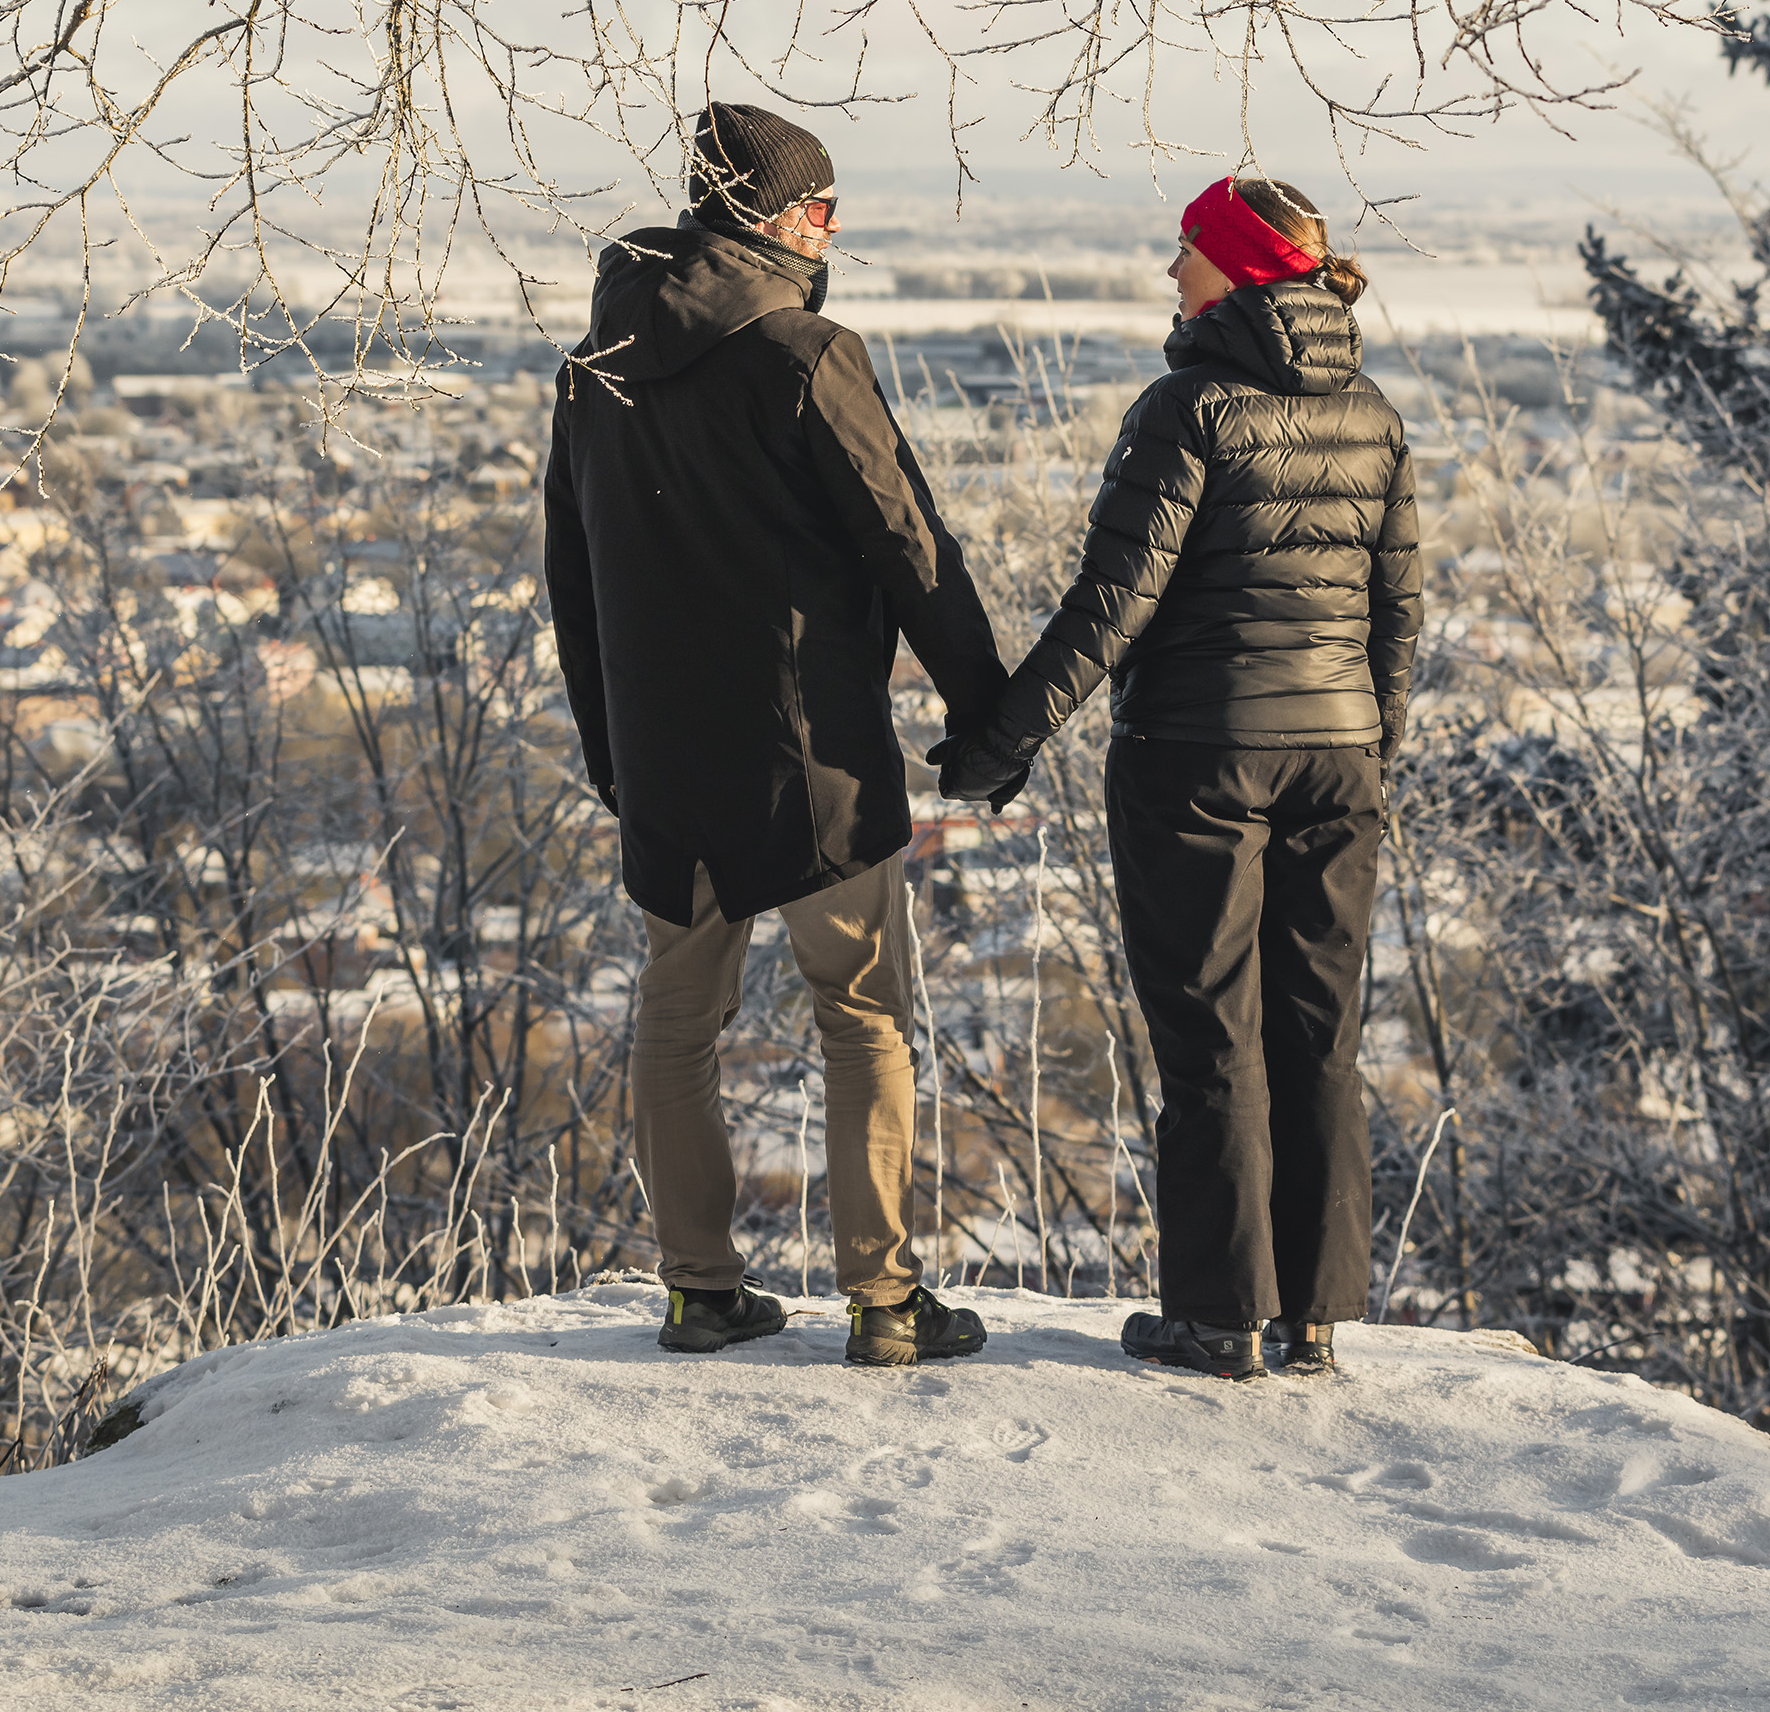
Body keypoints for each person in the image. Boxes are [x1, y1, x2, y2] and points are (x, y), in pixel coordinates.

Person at [933, 175, 1419, 1382]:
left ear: (1239, 269)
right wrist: (1368, 745)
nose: (1170, 271)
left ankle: (1217, 1315)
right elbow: (1399, 612)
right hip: (1338, 755)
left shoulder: (1188, 406)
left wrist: (1001, 740)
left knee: (1212, 1036)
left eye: (1187, 249)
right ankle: (1309, 1313)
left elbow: (1112, 605)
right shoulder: (1370, 410)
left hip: (1198, 758)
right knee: (1318, 1032)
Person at [546, 100, 1008, 1368]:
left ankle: (699, 1288)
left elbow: (569, 580)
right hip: (817, 758)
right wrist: (986, 712)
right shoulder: (807, 352)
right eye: (816, 204)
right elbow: (906, 539)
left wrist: (609, 749)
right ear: (758, 215)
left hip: (666, 757)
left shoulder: (593, 371)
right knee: (860, 1013)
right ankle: (885, 1302)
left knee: (674, 1018)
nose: (830, 224)